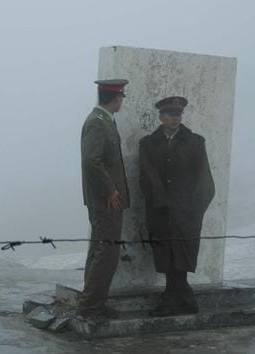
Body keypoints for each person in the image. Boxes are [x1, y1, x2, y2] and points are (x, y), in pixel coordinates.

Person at [138, 96, 215, 317]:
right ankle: (182, 297)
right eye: (170, 114)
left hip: (186, 211)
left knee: (182, 253)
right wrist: (160, 201)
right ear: (160, 116)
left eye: (178, 114)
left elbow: (204, 180)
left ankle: (172, 299)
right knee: (166, 253)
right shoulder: (148, 144)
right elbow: (146, 176)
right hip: (160, 210)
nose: (175, 118)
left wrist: (194, 209)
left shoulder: (196, 142)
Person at [78, 79, 130, 320]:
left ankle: (93, 303)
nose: (122, 101)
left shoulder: (105, 121)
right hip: (105, 199)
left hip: (105, 198)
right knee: (106, 253)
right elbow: (92, 161)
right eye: (122, 97)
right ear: (116, 97)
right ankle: (91, 307)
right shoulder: (97, 123)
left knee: (101, 251)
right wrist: (110, 190)